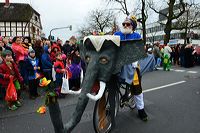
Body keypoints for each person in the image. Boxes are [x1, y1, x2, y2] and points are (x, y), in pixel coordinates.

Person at [114, 15, 148, 121]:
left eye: (127, 24)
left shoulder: (137, 36)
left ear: (132, 26)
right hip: (119, 64)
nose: (124, 25)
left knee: (137, 88)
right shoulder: (117, 34)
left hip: (132, 65)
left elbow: (139, 50)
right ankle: (110, 105)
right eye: (123, 24)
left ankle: (141, 109)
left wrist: (134, 61)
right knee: (111, 82)